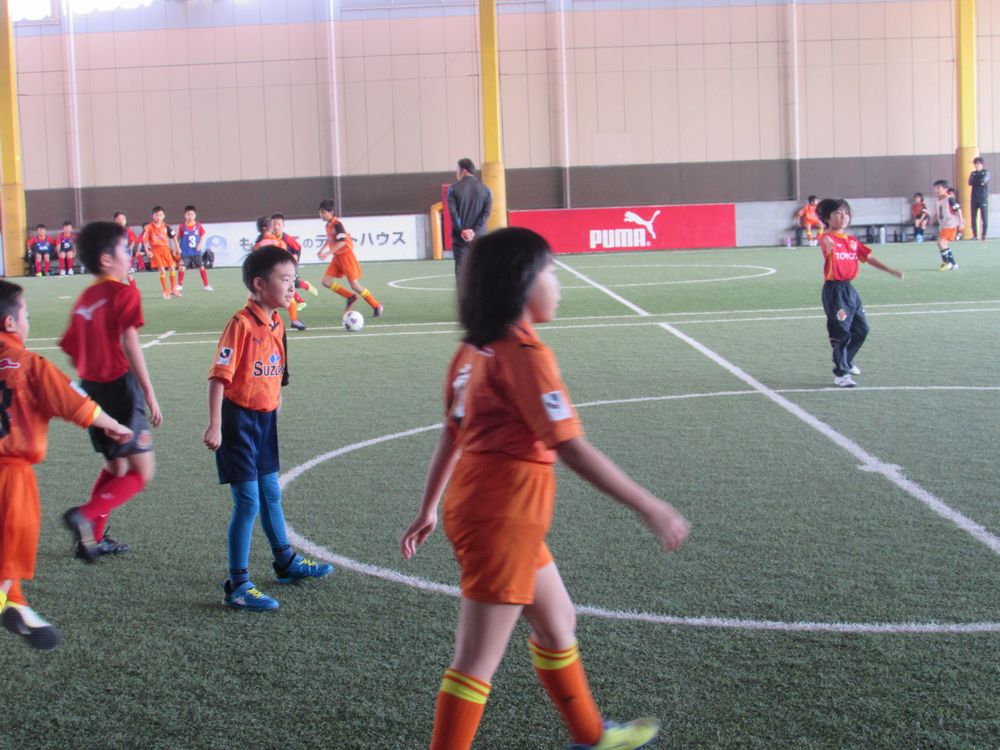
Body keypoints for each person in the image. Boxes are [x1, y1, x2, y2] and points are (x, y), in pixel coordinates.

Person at [400, 227, 690, 750]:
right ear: (521, 282)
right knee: (475, 661)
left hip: (488, 508)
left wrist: (429, 508)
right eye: (550, 272)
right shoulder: (525, 354)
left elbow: (452, 433)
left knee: (558, 623)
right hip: (504, 515)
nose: (558, 284)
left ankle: (590, 737)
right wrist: (649, 506)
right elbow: (570, 447)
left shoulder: (473, 352)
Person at [0, 280, 134, 650]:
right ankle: (7, 601)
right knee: (10, 548)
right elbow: (75, 402)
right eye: (26, 315)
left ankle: (16, 604)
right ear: (10, 323)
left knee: (4, 556)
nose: (27, 321)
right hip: (11, 476)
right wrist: (114, 425)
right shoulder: (30, 364)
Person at [203, 246, 333, 611]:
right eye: (285, 280)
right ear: (260, 284)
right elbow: (218, 377)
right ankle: (237, 584)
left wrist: (275, 402)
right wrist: (215, 425)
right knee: (248, 501)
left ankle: (285, 561)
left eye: (294, 280)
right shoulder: (241, 324)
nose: (293, 287)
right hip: (238, 423)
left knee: (271, 493)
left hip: (264, 422)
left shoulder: (278, 323)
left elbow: (277, 373)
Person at [59, 221, 163, 561]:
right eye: (125, 249)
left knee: (117, 467)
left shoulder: (84, 299)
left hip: (91, 392)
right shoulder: (123, 292)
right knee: (141, 472)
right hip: (119, 389)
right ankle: (84, 516)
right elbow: (130, 343)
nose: (130, 256)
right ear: (106, 259)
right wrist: (148, 392)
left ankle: (91, 538)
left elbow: (71, 349)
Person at [816, 199, 904, 388]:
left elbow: (869, 258)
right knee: (841, 333)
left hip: (850, 290)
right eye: (838, 213)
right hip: (835, 291)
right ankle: (841, 374)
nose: (844, 217)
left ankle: (847, 361)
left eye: (846, 213)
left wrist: (890, 270)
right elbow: (824, 240)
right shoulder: (828, 238)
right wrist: (825, 237)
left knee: (862, 329)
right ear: (827, 218)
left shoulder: (852, 241)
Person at [317, 200, 384, 318]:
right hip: (337, 258)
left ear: (331, 212)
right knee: (325, 282)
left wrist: (327, 253)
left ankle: (376, 305)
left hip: (346, 257)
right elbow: (331, 239)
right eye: (320, 212)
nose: (321, 215)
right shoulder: (328, 225)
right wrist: (322, 249)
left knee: (355, 285)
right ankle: (350, 297)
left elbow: (342, 242)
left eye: (323, 212)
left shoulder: (337, 224)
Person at [253, 217, 307, 331]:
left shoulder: (257, 245)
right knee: (287, 295)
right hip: (278, 275)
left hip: (264, 277)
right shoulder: (279, 242)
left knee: (262, 299)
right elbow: (284, 259)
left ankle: (261, 322)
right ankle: (293, 320)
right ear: (269, 228)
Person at [446, 158, 493, 275]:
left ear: (464, 171)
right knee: (480, 271)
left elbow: (453, 213)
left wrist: (462, 231)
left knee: (461, 272)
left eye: (457, 170)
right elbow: (486, 213)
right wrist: (474, 231)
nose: (456, 173)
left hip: (460, 238)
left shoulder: (453, 189)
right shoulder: (486, 190)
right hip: (479, 237)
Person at [142, 206, 181, 299]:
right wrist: (147, 250)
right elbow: (145, 240)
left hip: (166, 250)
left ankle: (173, 289)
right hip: (155, 251)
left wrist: (177, 248)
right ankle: (165, 290)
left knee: (172, 267)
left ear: (164, 216)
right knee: (162, 270)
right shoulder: (149, 227)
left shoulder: (166, 226)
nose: (158, 217)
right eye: (156, 215)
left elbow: (174, 237)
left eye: (160, 215)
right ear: (153, 216)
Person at [176, 205, 213, 292]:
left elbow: (202, 235)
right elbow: (178, 237)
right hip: (185, 252)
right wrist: (176, 248)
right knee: (181, 267)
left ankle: (206, 285)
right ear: (185, 215)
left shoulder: (198, 225)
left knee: (201, 267)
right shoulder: (182, 226)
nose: (190, 216)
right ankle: (179, 285)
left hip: (196, 252)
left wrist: (200, 244)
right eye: (188, 214)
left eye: (192, 214)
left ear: (195, 215)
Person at [931, 181, 962, 271]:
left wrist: (961, 222)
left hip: (950, 224)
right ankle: (953, 263)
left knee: (940, 242)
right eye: (935, 188)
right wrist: (933, 217)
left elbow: (958, 210)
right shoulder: (938, 200)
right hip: (943, 225)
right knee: (944, 244)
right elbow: (938, 211)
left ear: (945, 189)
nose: (936, 190)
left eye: (938, 188)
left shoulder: (950, 199)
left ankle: (947, 262)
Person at [113, 211, 142, 288]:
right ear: (115, 221)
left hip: (125, 256)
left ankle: (134, 290)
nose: (121, 221)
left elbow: (133, 240)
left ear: (125, 220)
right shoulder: (112, 231)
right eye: (119, 219)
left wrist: (130, 249)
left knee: (129, 275)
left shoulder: (128, 230)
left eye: (123, 219)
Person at [967, 157, 989, 241]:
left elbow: (983, 181)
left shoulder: (986, 172)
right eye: (975, 164)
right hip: (974, 198)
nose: (976, 166)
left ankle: (984, 235)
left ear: (982, 164)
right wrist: (979, 182)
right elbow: (970, 182)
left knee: (984, 217)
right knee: (973, 217)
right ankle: (975, 235)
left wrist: (977, 182)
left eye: (978, 164)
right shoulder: (973, 173)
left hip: (983, 198)